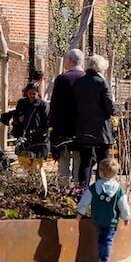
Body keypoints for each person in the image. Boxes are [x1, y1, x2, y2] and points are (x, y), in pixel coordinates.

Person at [77, 157, 131, 262]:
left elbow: (85, 201)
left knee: (101, 238)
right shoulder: (118, 190)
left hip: (97, 218)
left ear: (101, 173)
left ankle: (102, 257)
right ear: (115, 174)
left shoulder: (94, 188)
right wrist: (126, 217)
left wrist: (80, 213)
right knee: (107, 240)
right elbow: (123, 205)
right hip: (111, 220)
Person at [72, 54, 116, 186]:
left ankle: (82, 191)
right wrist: (117, 109)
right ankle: (100, 189)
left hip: (83, 128)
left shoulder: (79, 82)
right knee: (103, 162)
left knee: (85, 162)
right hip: (101, 130)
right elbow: (110, 108)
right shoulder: (102, 83)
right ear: (101, 67)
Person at [48, 48, 85, 181]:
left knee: (63, 161)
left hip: (63, 129)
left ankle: (63, 193)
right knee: (79, 161)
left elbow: (55, 104)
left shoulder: (62, 79)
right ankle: (77, 192)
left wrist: (51, 126)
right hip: (81, 128)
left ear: (69, 60)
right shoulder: (87, 78)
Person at [2, 81, 50, 171]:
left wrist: (45, 134)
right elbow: (16, 117)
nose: (31, 95)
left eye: (34, 93)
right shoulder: (22, 103)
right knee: (25, 162)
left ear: (37, 93)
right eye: (30, 93)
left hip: (38, 138)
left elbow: (47, 122)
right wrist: (18, 119)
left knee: (37, 165)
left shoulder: (43, 105)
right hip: (24, 136)